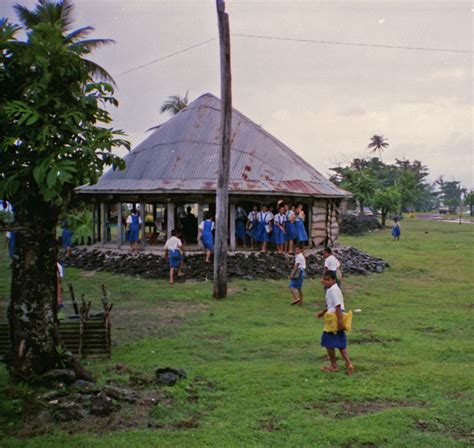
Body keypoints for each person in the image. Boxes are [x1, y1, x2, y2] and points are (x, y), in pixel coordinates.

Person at [316, 270, 353, 375]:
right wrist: (322, 312)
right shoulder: (333, 289)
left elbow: (337, 306)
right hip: (335, 315)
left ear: (333, 280)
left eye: (328, 280)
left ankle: (333, 365)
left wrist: (340, 321)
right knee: (341, 344)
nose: (326, 282)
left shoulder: (332, 290)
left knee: (328, 342)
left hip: (334, 318)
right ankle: (348, 364)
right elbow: (330, 305)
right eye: (324, 280)